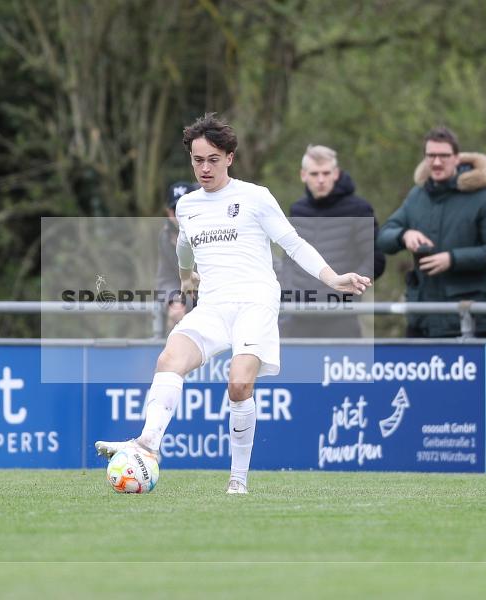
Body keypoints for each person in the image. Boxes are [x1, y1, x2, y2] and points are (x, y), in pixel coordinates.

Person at [96, 113, 371, 494]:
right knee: (168, 360)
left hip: (255, 301)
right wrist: (184, 279)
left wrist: (333, 277)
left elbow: (292, 244)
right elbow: (183, 246)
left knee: (238, 385)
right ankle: (147, 446)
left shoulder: (255, 197)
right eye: (197, 160)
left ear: (229, 157)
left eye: (212, 159)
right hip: (212, 305)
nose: (204, 168)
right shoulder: (189, 206)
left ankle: (237, 478)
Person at [377, 126, 486, 337]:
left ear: (457, 158)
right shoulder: (417, 196)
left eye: (443, 156)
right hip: (420, 317)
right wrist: (404, 235)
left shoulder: (484, 198)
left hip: (466, 319)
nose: (436, 162)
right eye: (431, 156)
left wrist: (453, 259)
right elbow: (384, 237)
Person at [278, 145, 385, 337]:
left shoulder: (359, 209)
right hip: (297, 315)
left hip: (341, 316)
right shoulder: (297, 209)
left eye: (326, 173)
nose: (321, 180)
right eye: (314, 174)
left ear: (336, 174)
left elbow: (375, 259)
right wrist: (289, 291)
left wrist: (348, 289)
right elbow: (288, 258)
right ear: (303, 175)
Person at [156, 181, 199, 334]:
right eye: (176, 209)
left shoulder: (212, 229)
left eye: (186, 208)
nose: (181, 215)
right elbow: (166, 279)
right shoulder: (165, 237)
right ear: (168, 212)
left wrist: (185, 304)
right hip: (191, 310)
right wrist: (174, 301)